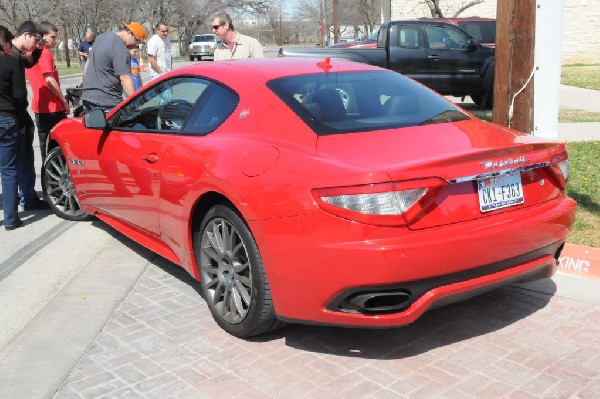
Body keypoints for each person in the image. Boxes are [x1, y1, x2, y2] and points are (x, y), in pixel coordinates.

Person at [9, 21, 48, 211]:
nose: (37, 42)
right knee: (21, 160)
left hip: (15, 114)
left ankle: (26, 197)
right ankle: (27, 200)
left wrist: (40, 48)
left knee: (19, 161)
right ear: (26, 35)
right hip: (15, 116)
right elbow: (16, 94)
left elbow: (30, 62)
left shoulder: (16, 54)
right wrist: (20, 120)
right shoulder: (11, 56)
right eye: (36, 39)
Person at [25, 21, 70, 161]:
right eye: (52, 37)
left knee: (46, 146)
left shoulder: (29, 54)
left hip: (40, 108)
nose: (56, 40)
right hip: (52, 108)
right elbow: (49, 80)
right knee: (60, 147)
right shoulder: (44, 53)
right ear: (42, 37)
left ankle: (48, 177)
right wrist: (63, 101)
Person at [81, 21, 145, 114]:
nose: (136, 45)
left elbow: (88, 63)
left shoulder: (101, 38)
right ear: (129, 33)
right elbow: (125, 78)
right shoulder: (121, 48)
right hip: (107, 102)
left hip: (88, 98)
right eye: (137, 40)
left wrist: (84, 81)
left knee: (93, 128)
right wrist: (135, 104)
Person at [0, 25, 27, 230]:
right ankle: (10, 219)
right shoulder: (10, 62)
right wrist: (22, 121)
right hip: (7, 118)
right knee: (8, 170)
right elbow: (19, 96)